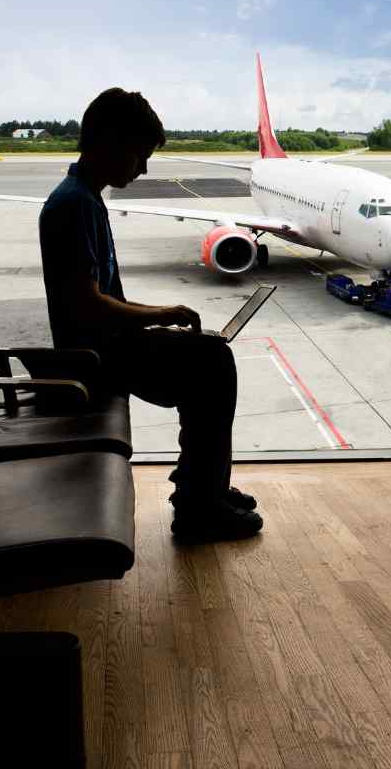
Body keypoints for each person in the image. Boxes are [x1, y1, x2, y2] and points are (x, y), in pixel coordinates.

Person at [37, 88, 263, 542]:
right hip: (94, 357)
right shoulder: (74, 204)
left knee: (209, 355)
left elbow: (98, 297)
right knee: (213, 363)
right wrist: (156, 314)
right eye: (139, 155)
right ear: (110, 143)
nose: (142, 168)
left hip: (104, 345)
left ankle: (204, 489)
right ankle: (200, 507)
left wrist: (156, 316)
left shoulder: (84, 197)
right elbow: (85, 305)